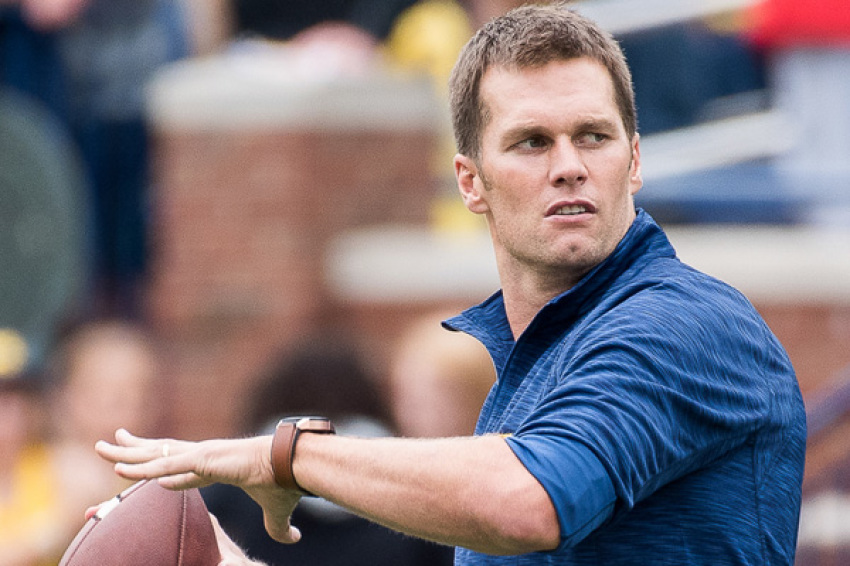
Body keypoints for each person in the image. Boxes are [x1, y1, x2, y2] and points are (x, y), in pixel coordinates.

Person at [94, 3, 807, 565]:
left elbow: (529, 504)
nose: (569, 165)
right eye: (532, 142)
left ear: (635, 161)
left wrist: (285, 456)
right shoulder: (526, 376)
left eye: (593, 136)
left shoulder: (686, 324)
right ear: (471, 182)